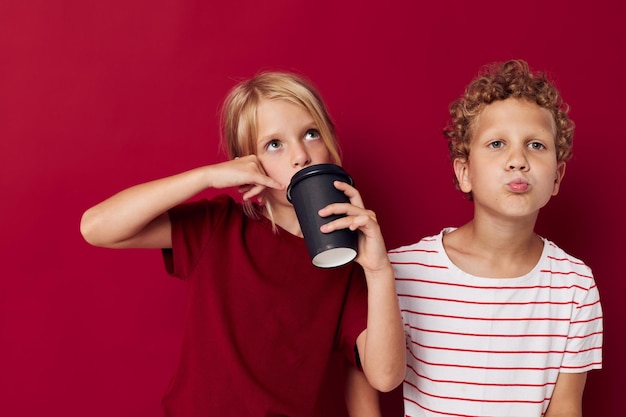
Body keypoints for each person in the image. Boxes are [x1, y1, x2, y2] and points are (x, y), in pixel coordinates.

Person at [80, 71, 405, 416]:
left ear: (330, 143)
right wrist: (206, 176)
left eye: (311, 134)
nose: (299, 156)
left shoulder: (348, 262)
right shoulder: (219, 225)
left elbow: (384, 378)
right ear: (248, 163)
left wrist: (379, 269)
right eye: (274, 144)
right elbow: (97, 227)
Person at [388, 60, 603, 416]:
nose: (517, 160)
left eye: (535, 145)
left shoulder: (575, 286)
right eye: (497, 143)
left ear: (557, 178)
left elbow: (566, 408)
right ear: (464, 172)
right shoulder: (402, 270)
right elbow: (363, 370)